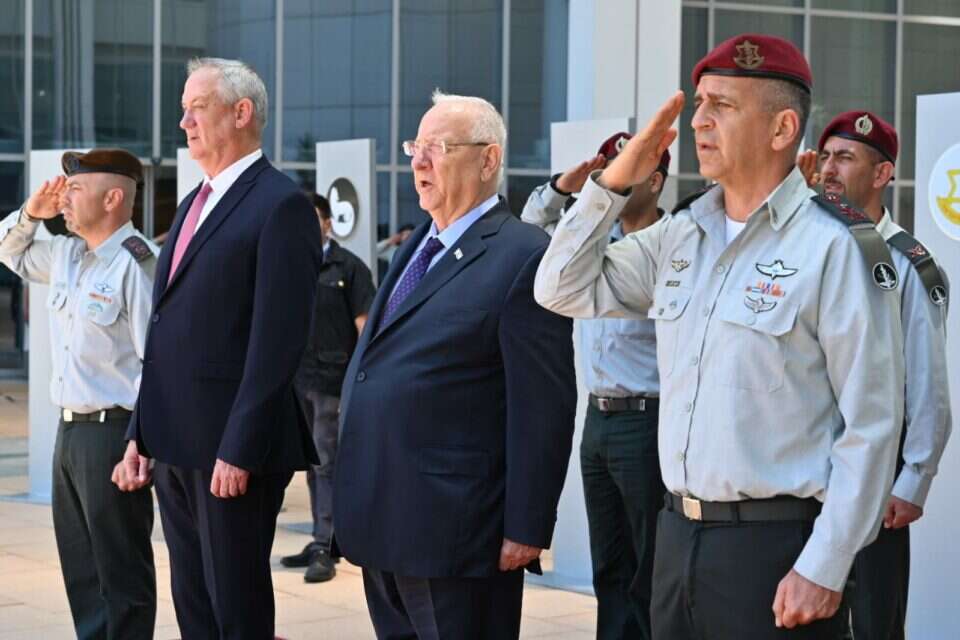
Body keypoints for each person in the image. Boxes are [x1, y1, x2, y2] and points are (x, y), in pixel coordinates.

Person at [534, 33, 905, 638]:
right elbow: (559, 287)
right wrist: (614, 181)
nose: (699, 121)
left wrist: (826, 564)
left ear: (782, 128)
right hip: (677, 538)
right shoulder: (682, 235)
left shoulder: (835, 246)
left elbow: (872, 423)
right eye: (700, 104)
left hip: (777, 550)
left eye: (722, 106)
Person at [332, 90, 577, 640]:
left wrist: (527, 524)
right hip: (384, 521)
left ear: (488, 160)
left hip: (456, 532)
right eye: (414, 146)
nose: (419, 161)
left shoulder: (523, 254)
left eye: (438, 147)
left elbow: (544, 405)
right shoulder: (419, 244)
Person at [121, 57, 322, 640]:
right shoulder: (192, 203)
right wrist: (141, 431)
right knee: (194, 607)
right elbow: (163, 330)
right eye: (183, 110)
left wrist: (239, 447)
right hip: (175, 444)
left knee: (236, 610)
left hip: (232, 454)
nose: (184, 122)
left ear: (241, 112)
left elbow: (278, 341)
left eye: (197, 108)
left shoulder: (280, 204)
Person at [0, 149, 157, 639]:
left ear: (113, 199)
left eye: (75, 190)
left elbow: (157, 363)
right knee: (82, 571)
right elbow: (8, 251)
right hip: (69, 433)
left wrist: (141, 442)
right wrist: (31, 213)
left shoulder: (138, 263)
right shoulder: (66, 255)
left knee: (121, 571)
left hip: (114, 434)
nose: (63, 199)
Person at [522, 134, 670, 640]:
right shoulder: (592, 243)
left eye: (627, 171)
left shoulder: (673, 244)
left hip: (648, 419)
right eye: (608, 172)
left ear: (655, 180)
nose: (614, 180)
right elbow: (530, 231)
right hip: (598, 419)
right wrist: (563, 189)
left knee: (650, 564)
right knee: (608, 564)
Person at [816, 110, 952, 639]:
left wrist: (914, 478)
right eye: (826, 156)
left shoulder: (911, 263)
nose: (829, 169)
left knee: (873, 617)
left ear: (882, 174)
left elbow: (927, 381)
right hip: (805, 460)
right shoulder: (805, 250)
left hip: (875, 464)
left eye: (845, 158)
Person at [281, 192, 375, 583]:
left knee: (327, 463)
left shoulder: (348, 267)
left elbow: (365, 327)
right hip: (296, 381)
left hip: (332, 383)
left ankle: (327, 544)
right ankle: (320, 537)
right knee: (309, 462)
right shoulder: (288, 265)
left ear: (327, 223)